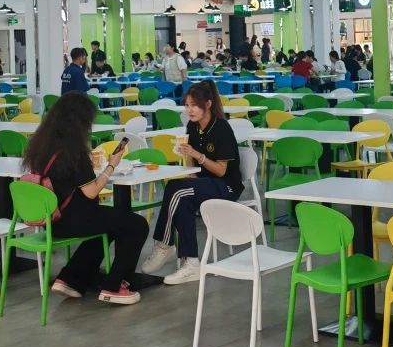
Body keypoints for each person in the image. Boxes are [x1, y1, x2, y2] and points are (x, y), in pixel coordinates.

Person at [22, 92, 148, 304]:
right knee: (137, 224)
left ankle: (70, 279)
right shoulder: (73, 152)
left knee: (110, 225)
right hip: (73, 219)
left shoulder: (41, 147)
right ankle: (114, 286)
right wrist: (111, 165)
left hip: (52, 220)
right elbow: (91, 191)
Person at [140, 81, 243, 285]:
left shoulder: (221, 128)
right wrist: (190, 169)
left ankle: (165, 244)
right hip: (204, 182)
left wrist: (198, 155)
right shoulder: (192, 126)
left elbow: (221, 170)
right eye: (187, 105)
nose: (189, 110)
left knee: (176, 190)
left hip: (226, 186)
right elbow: (190, 159)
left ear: (208, 104)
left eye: (194, 105)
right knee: (179, 196)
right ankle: (192, 263)